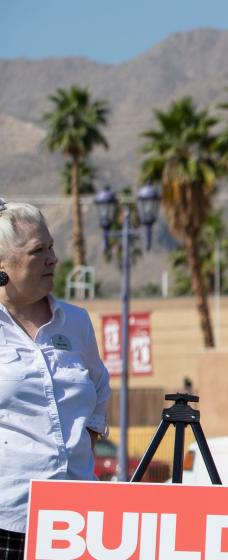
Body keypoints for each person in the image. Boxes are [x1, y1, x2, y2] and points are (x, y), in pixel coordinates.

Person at [0, 200, 111, 559]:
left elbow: (98, 388)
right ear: (2, 265)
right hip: (10, 519)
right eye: (37, 251)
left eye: (51, 247)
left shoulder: (76, 322)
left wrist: (81, 451)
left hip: (77, 518)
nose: (52, 259)